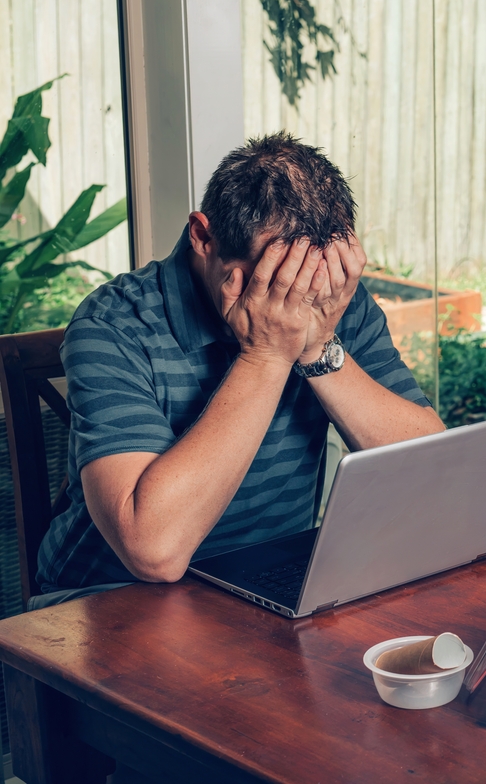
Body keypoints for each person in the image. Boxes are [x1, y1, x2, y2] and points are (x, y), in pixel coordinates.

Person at [33, 133, 445, 608]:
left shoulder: (328, 295)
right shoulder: (112, 324)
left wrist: (318, 348)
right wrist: (266, 355)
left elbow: (435, 474)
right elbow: (155, 552)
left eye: (310, 281)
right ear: (203, 237)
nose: (296, 302)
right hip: (107, 602)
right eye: (273, 280)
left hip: (266, 581)